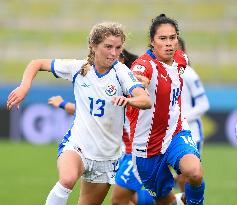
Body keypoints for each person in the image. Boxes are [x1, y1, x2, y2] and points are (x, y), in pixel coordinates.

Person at [7, 22, 151, 205]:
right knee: (67, 179)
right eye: (108, 47)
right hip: (78, 145)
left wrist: (129, 100)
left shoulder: (121, 72)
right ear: (93, 45)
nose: (114, 53)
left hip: (106, 158)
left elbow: (145, 100)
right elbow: (37, 63)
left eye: (118, 48)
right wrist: (24, 86)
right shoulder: (78, 68)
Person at [48, 49, 155, 205]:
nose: (110, 56)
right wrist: (63, 104)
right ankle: (174, 201)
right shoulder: (108, 79)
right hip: (119, 152)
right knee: (127, 199)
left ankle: (172, 200)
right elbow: (91, 111)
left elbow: (145, 94)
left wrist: (144, 85)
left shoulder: (126, 81)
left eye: (116, 53)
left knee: (120, 199)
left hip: (132, 152)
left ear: (122, 61)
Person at [128, 14, 205, 205]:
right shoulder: (143, 65)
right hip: (146, 145)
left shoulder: (181, 59)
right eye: (163, 39)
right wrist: (138, 84)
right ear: (152, 42)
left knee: (194, 173)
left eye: (173, 38)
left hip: (175, 132)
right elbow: (136, 75)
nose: (169, 43)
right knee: (164, 200)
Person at [174, 37, 210, 202]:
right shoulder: (162, 74)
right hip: (171, 133)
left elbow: (203, 104)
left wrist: (183, 116)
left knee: (186, 176)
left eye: (175, 49)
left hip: (192, 132)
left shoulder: (188, 73)